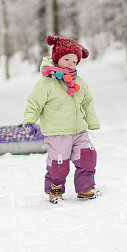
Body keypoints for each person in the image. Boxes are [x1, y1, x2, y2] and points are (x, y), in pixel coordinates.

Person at [23, 35, 100, 203]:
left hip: (79, 130)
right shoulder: (47, 83)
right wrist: (29, 120)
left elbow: (88, 103)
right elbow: (34, 102)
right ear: (57, 58)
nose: (71, 64)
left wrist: (92, 122)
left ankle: (85, 188)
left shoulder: (79, 82)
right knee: (59, 164)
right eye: (67, 59)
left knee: (88, 156)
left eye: (74, 61)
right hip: (57, 133)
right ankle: (55, 188)